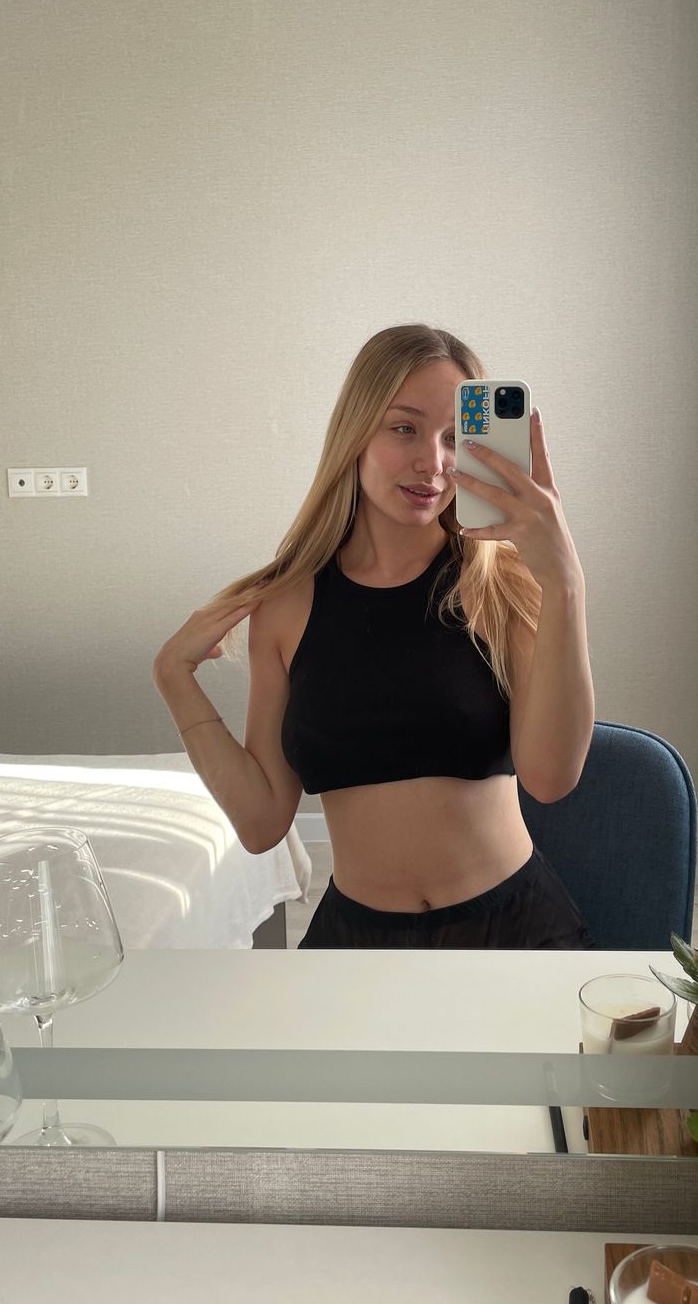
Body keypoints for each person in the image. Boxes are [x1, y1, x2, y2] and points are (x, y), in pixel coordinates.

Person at [152, 324, 596, 948]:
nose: (433, 463)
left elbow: (551, 779)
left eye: (454, 437)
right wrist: (173, 677)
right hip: (356, 941)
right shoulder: (285, 605)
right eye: (404, 428)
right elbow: (261, 822)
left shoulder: (504, 586)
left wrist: (566, 583)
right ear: (355, 433)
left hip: (514, 933)